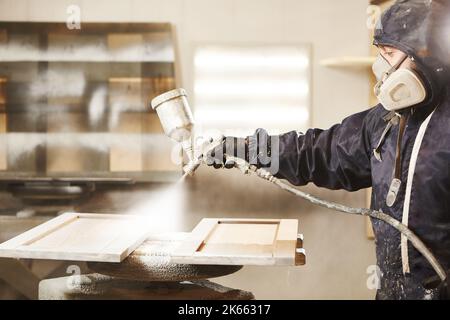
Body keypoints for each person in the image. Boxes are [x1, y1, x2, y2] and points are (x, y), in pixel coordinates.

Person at [206, 0, 450, 300]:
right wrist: (241, 149)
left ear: (425, 55)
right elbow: (317, 152)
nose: (381, 68)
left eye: (389, 54)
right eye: (379, 53)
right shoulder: (386, 120)